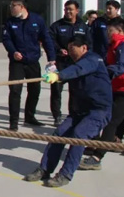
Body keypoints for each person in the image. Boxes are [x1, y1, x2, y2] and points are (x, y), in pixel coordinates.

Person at [23, 35, 112, 187]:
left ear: (84, 47)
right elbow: (69, 73)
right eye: (69, 49)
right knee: (59, 134)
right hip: (79, 111)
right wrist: (54, 73)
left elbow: (78, 70)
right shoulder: (74, 63)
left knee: (79, 135)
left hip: (98, 111)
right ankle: (44, 169)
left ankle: (65, 174)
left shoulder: (93, 59)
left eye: (73, 48)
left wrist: (59, 75)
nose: (70, 52)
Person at [79, 17, 124, 170]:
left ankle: (97, 158)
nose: (107, 34)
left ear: (119, 31)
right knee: (99, 115)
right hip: (118, 89)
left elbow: (122, 67)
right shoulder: (113, 46)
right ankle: (96, 143)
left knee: (111, 122)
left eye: (110, 31)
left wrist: (101, 72)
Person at [1, 0, 56, 130]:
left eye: (13, 6)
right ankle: (13, 122)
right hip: (17, 62)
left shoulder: (37, 20)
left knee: (35, 90)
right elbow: (6, 39)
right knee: (15, 90)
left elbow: (46, 39)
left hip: (32, 61)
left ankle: (30, 117)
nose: (10, 8)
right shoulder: (10, 22)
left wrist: (51, 57)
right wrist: (13, 52)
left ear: (21, 7)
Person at [48, 0, 89, 125]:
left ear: (77, 11)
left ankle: (73, 115)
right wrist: (59, 50)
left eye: (71, 9)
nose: (68, 11)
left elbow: (88, 42)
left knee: (75, 91)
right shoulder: (57, 26)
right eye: (66, 9)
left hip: (76, 63)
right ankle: (57, 116)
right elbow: (50, 41)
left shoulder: (83, 26)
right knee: (56, 90)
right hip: (61, 62)